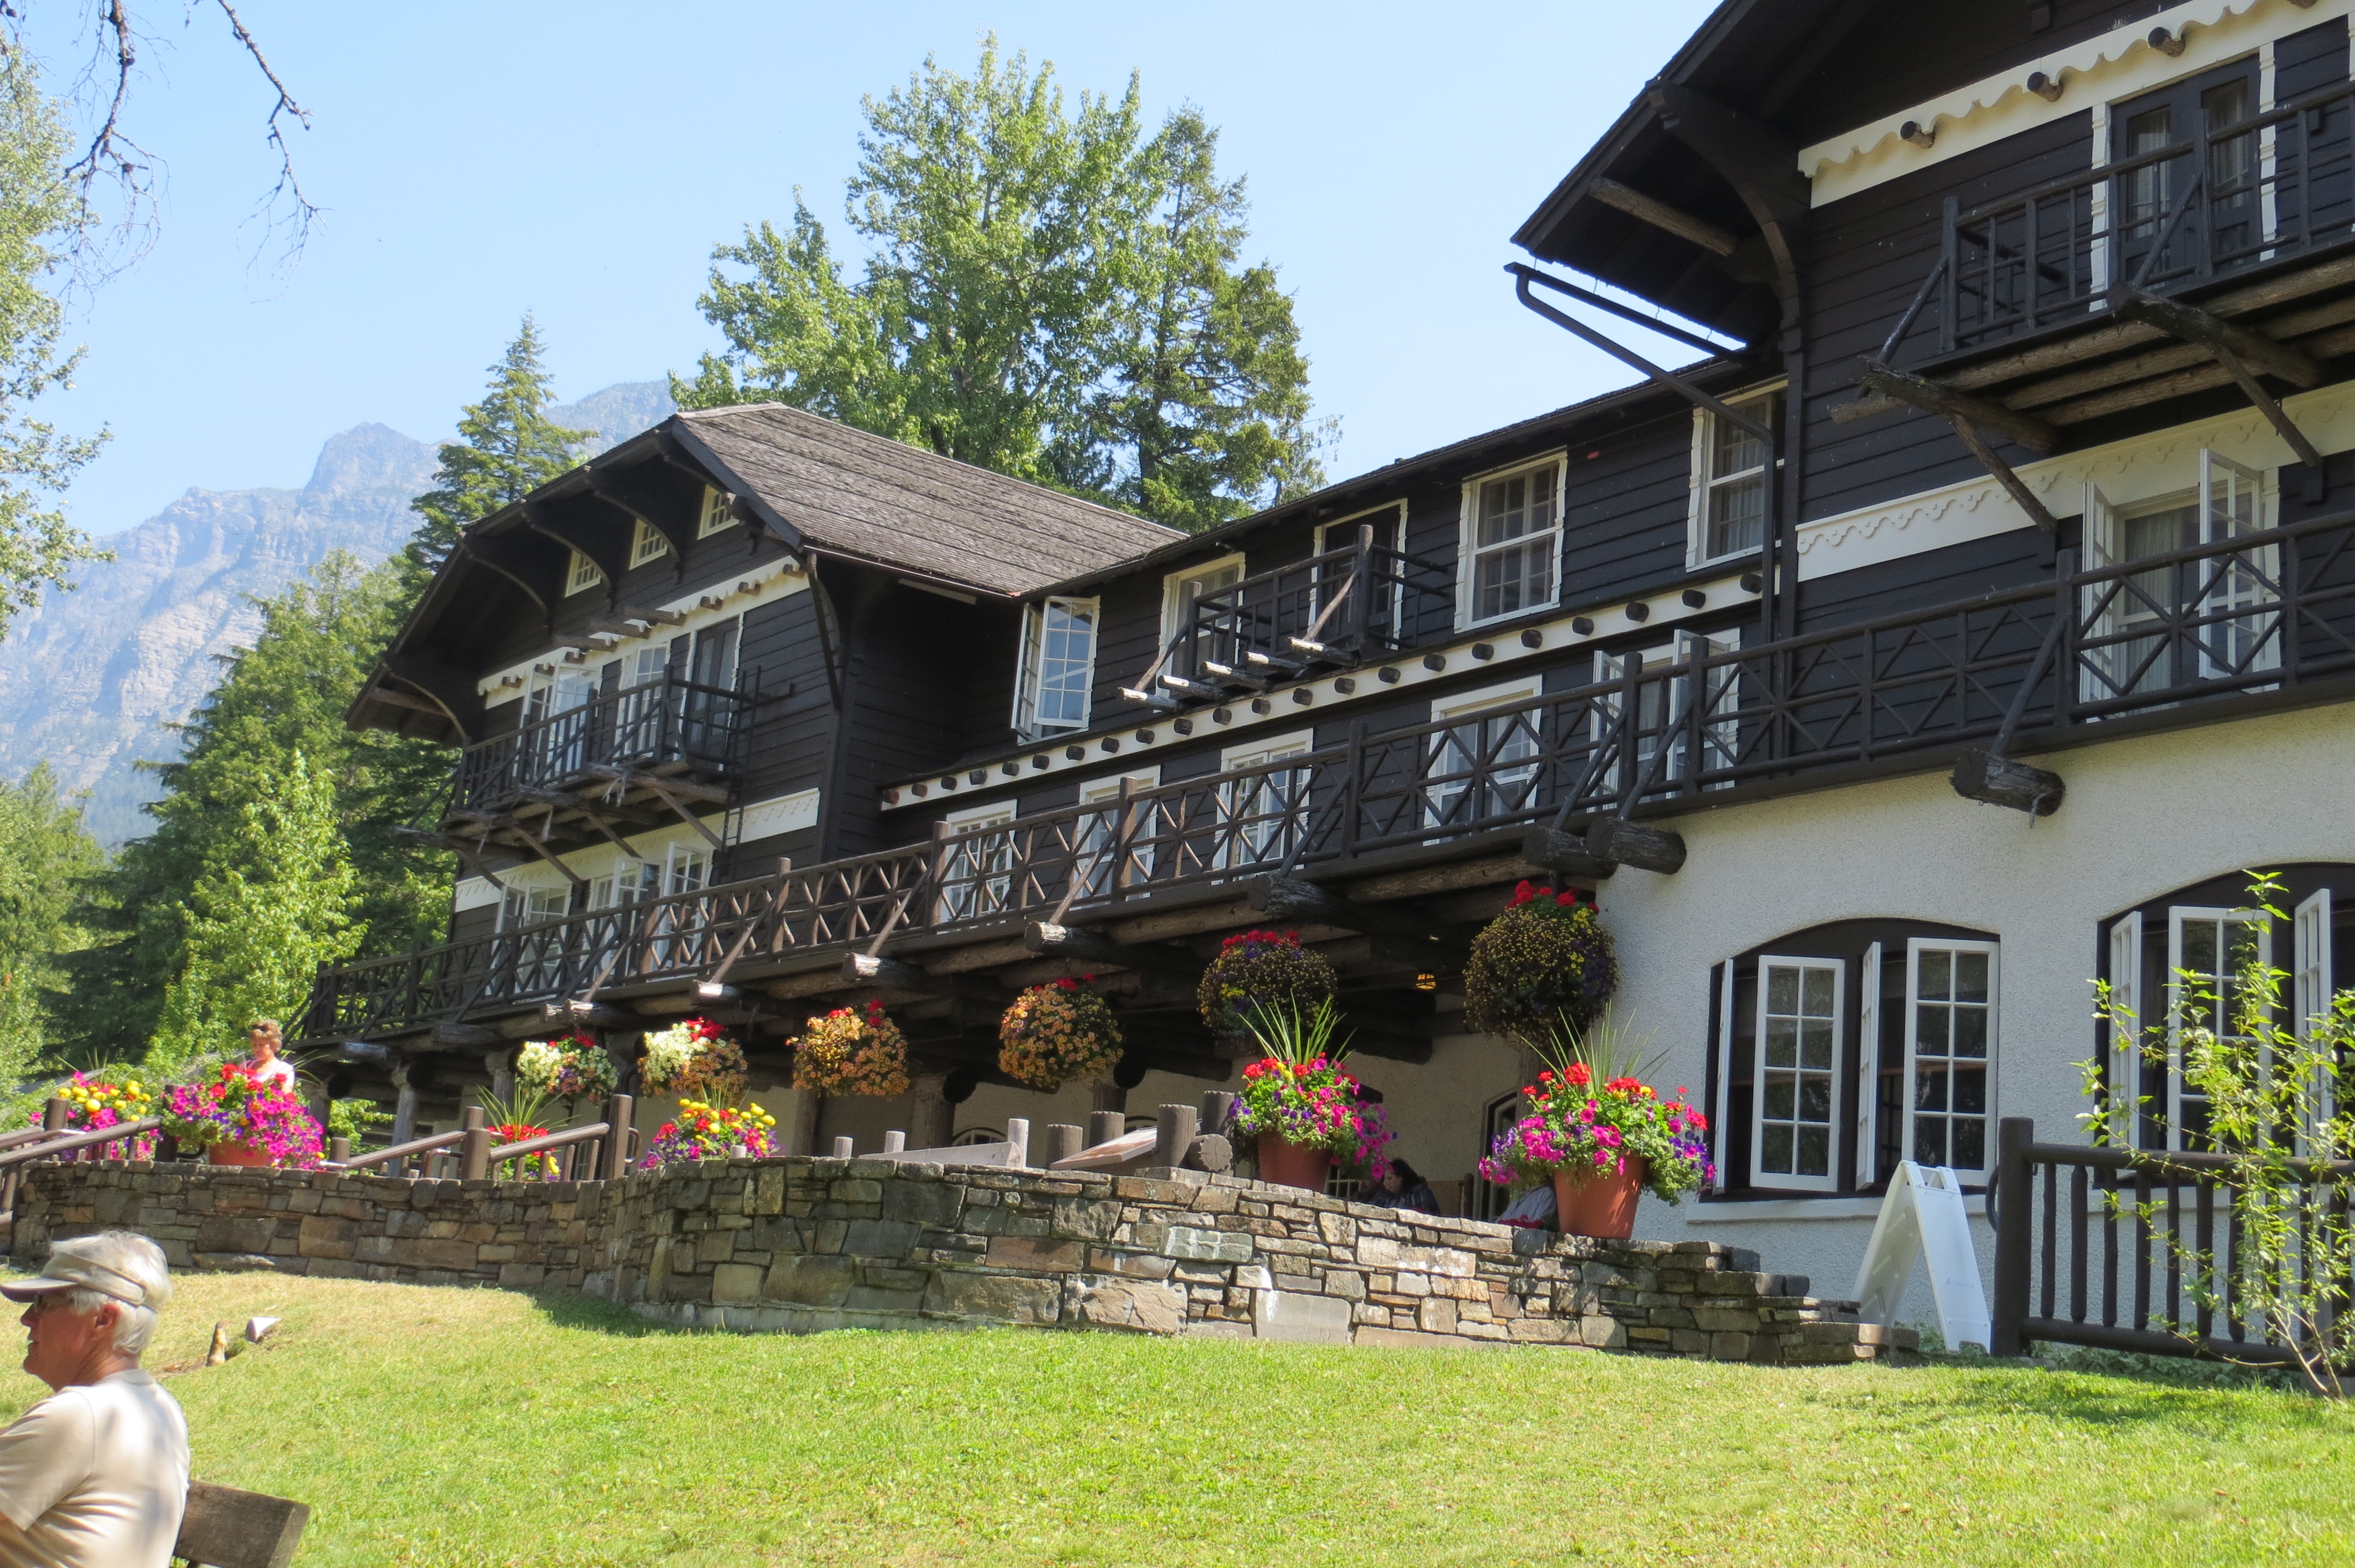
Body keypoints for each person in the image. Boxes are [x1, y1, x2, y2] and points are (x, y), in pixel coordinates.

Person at [0, 1232, 190, 1567]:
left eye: (45, 1303)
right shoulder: (157, 1406)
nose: (27, 1318)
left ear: (104, 1320)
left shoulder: (80, 1414)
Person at [1358, 1157, 1440, 1215]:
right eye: (1384, 1180)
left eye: (1390, 1179)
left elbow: (1421, 1219)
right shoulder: (1385, 1196)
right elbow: (1367, 1211)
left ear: (1401, 1177)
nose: (1386, 1183)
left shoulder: (1418, 1192)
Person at [242, 1019, 296, 1093]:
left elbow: (286, 1095)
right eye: (254, 1044)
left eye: (262, 1045)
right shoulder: (246, 1066)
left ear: (273, 1045)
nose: (257, 1049)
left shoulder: (285, 1069)